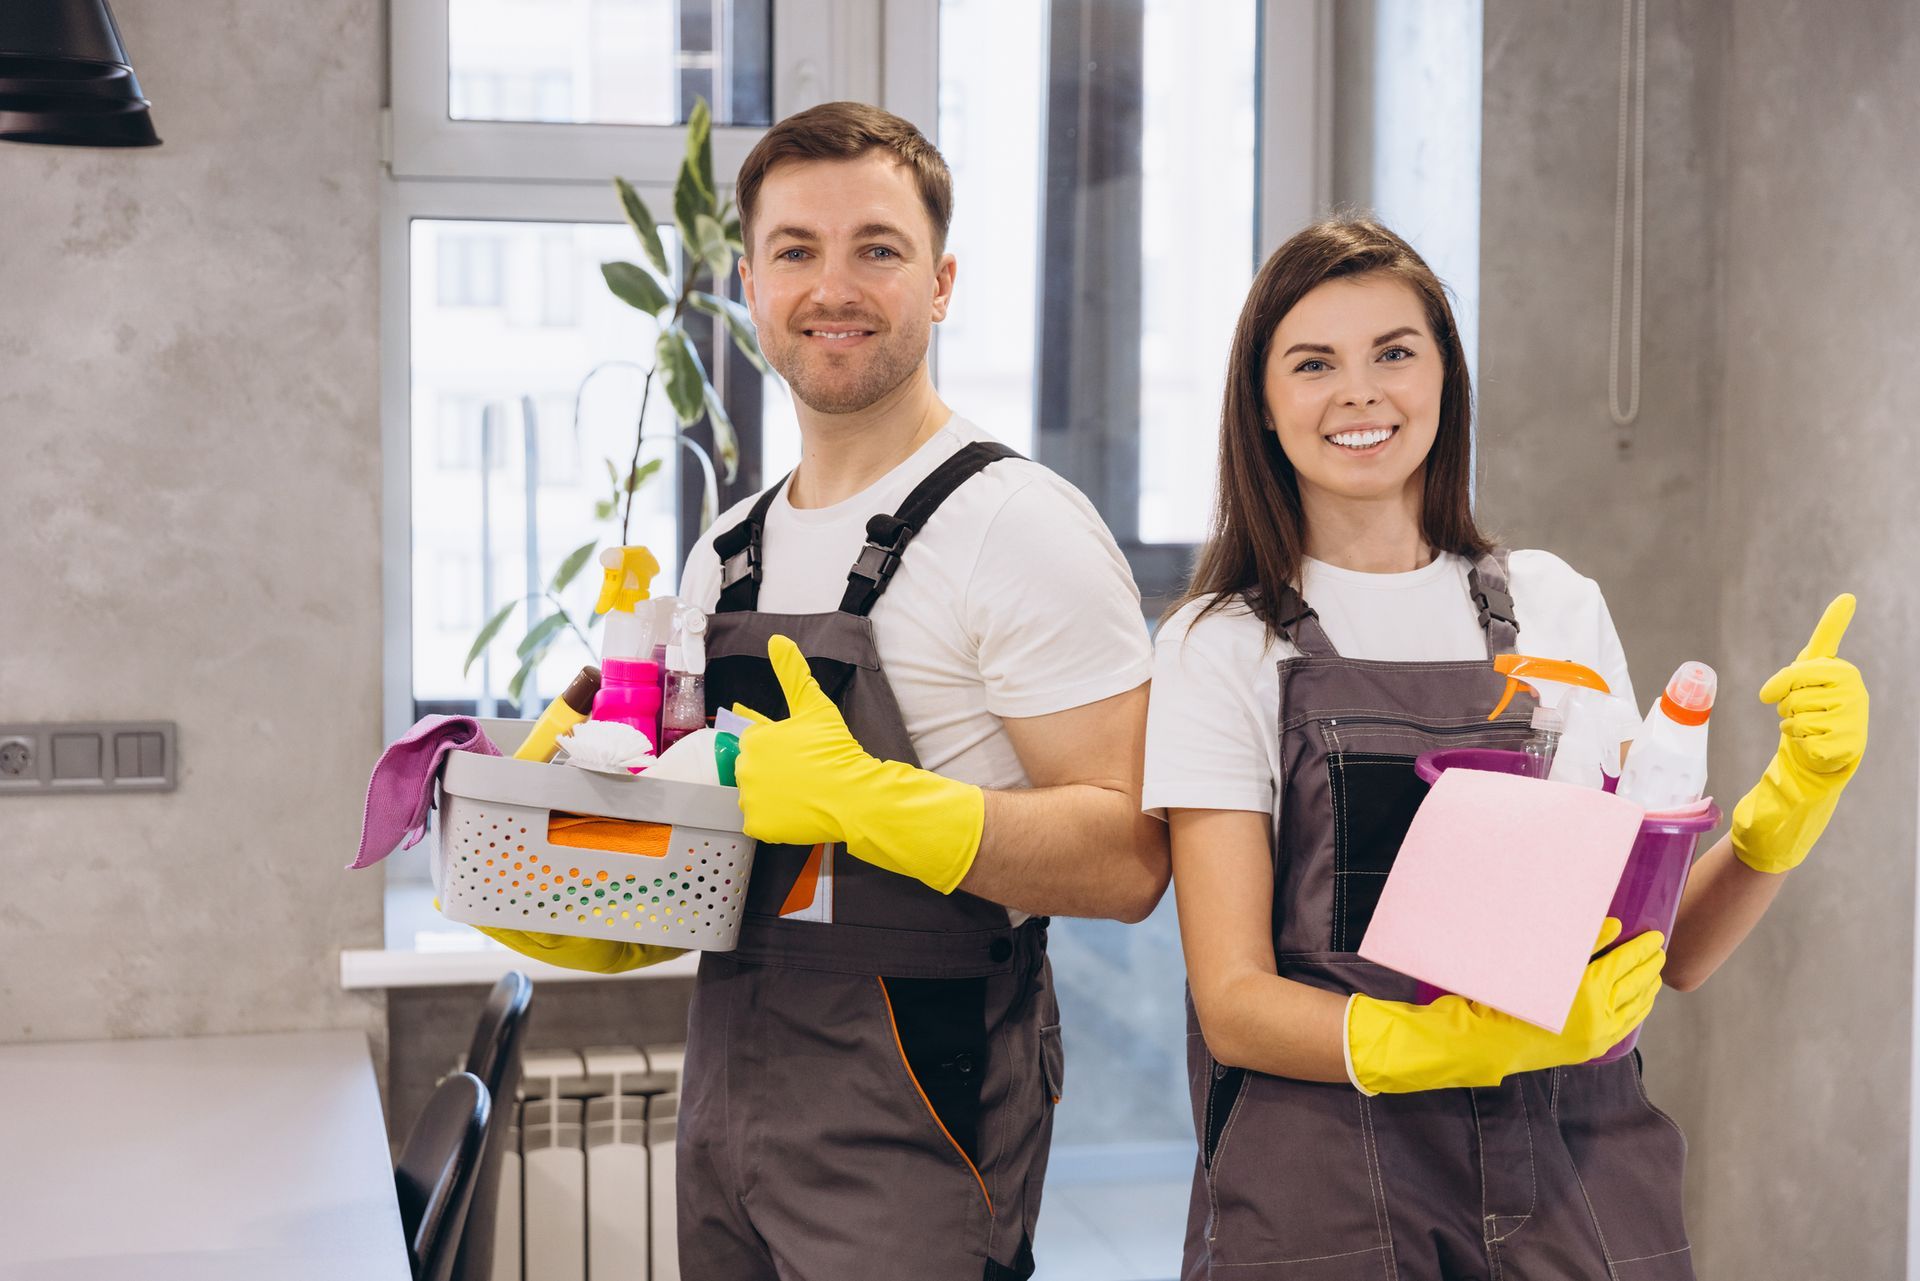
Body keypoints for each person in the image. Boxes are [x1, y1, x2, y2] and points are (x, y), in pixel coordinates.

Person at [489, 102, 1169, 1280]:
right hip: (727, 1091)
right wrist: (560, 833)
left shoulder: (1018, 527)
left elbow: (1127, 859)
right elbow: (705, 851)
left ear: (942, 281)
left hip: (921, 1102)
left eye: (878, 248)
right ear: (750, 281)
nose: (833, 286)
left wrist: (872, 802)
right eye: (797, 250)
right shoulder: (727, 549)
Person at [1143, 215, 1870, 1280]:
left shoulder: (1551, 607)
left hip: (1569, 1168)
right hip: (1329, 1184)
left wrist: (1787, 807)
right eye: (1313, 363)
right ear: (1262, 401)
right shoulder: (1223, 643)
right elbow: (1235, 1000)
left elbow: (1670, 956)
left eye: (1396, 352)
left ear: (1445, 375)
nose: (1360, 392)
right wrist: (1449, 1045)